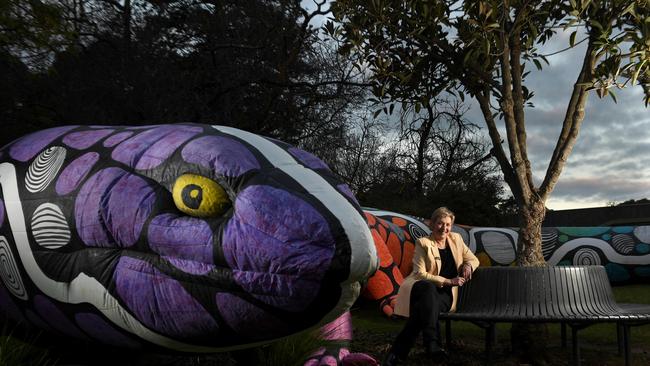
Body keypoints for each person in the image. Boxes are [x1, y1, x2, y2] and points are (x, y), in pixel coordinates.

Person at [383, 207, 479, 366]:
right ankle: (432, 345)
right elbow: (420, 273)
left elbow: (473, 259)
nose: (444, 228)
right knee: (427, 288)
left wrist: (468, 265)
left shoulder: (456, 239)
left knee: (423, 309)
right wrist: (448, 281)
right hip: (421, 289)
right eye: (440, 223)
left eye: (448, 224)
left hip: (445, 296)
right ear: (432, 224)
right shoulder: (424, 243)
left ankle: (398, 353)